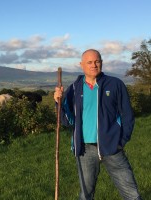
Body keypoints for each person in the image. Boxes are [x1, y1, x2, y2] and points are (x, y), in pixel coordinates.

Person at [54, 49, 142, 200]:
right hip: (85, 150)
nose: (94, 65)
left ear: (101, 62)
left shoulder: (115, 84)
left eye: (97, 61)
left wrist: (121, 141)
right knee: (86, 195)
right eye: (89, 62)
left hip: (112, 147)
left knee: (131, 194)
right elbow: (66, 120)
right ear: (82, 65)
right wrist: (58, 102)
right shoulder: (75, 88)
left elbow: (127, 115)